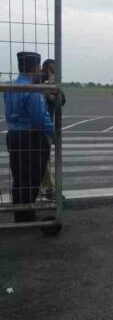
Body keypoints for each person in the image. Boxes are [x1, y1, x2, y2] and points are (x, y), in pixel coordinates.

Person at [4, 52, 54, 222]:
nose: (40, 70)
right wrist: (53, 134)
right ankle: (26, 215)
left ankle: (20, 212)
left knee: (19, 177)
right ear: (34, 67)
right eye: (39, 67)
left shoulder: (11, 88)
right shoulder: (33, 90)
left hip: (13, 135)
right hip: (31, 137)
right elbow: (39, 118)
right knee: (32, 178)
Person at [40, 59, 65, 200]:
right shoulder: (40, 85)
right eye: (53, 71)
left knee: (45, 159)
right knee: (44, 160)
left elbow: (62, 100)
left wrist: (53, 88)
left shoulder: (51, 85)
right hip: (42, 127)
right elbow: (56, 101)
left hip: (46, 126)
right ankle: (49, 189)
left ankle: (44, 188)